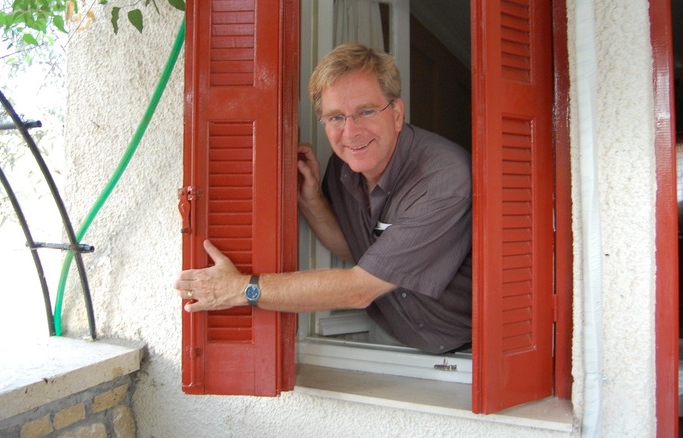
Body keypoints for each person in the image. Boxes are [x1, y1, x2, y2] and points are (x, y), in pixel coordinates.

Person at [174, 43, 472, 354]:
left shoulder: (443, 178)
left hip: (465, 351)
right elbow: (350, 246)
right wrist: (313, 200)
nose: (351, 131)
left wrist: (242, 288)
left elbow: (360, 289)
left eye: (366, 111)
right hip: (402, 347)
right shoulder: (343, 168)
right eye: (335, 118)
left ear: (396, 114)